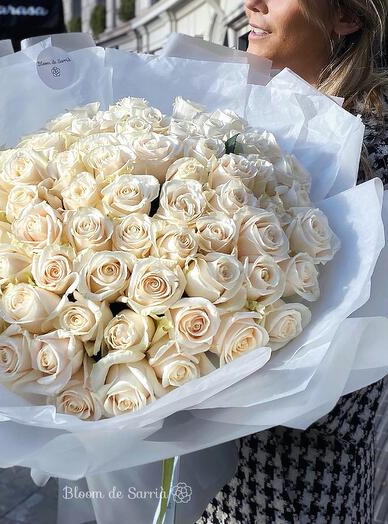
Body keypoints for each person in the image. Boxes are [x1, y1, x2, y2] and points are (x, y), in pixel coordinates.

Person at [198, 0, 387, 522]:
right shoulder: (232, 113)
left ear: (346, 17)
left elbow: (361, 350)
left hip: (295, 482)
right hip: (209, 472)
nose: (249, 3)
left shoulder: (371, 145)